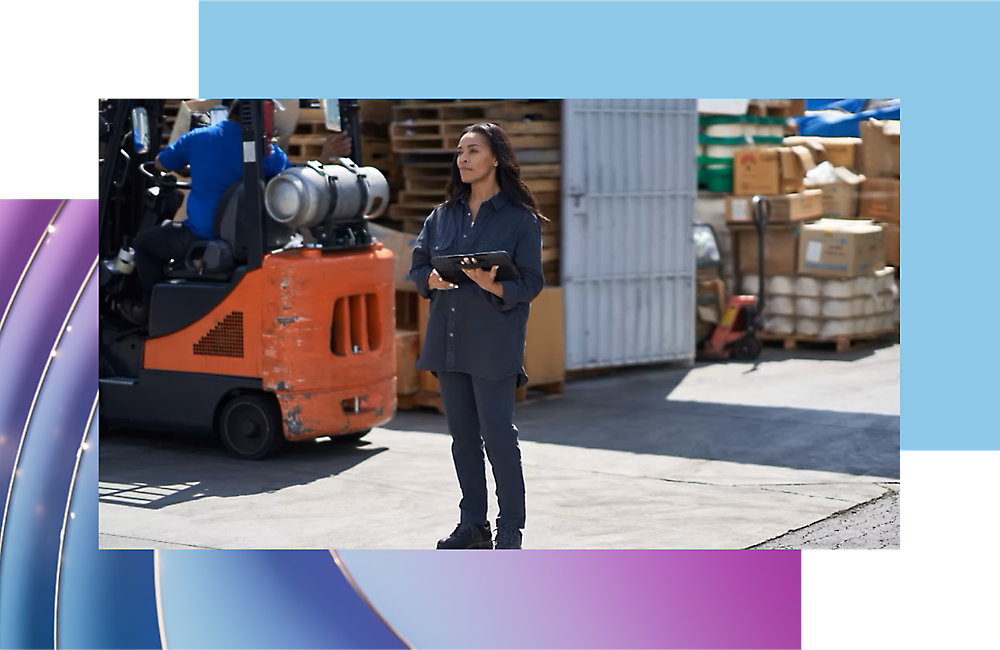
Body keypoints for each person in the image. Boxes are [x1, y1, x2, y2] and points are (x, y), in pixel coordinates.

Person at [409, 123, 547, 550]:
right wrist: (429, 278)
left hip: (494, 343)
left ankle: (510, 526)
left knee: (499, 437)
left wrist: (495, 288)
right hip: (448, 342)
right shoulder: (442, 215)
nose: (463, 159)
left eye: (473, 150)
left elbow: (532, 282)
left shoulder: (520, 220)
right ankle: (473, 524)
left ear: (495, 158)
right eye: (460, 151)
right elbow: (417, 266)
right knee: (463, 439)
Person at [128, 100, 351, 322]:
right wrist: (323, 157)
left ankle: (150, 314)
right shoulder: (270, 154)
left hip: (201, 236)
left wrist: (192, 168)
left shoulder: (198, 139)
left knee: (144, 244)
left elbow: (160, 164)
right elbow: (296, 182)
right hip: (251, 241)